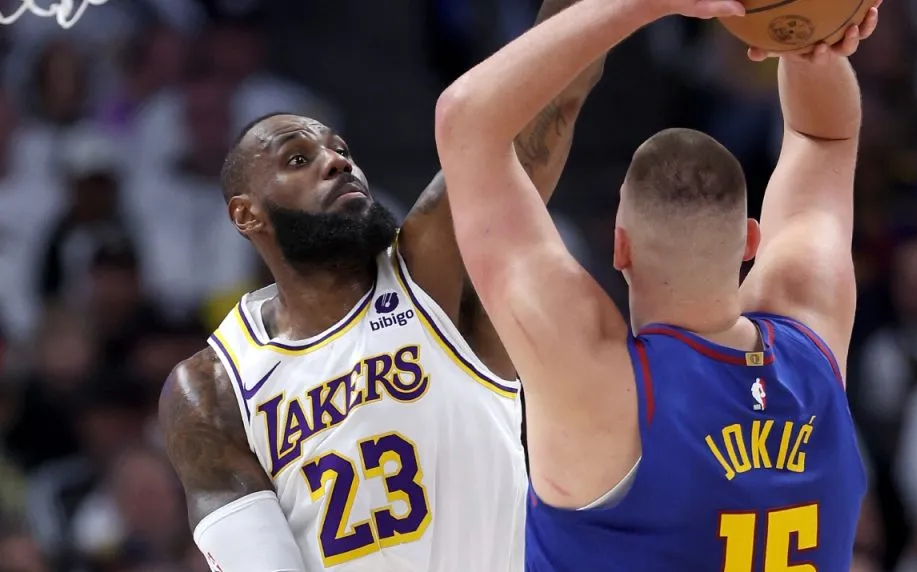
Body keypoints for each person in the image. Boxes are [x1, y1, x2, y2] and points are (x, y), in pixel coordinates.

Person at [157, 1, 607, 569]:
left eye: (342, 151)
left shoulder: (433, 274)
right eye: (298, 159)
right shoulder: (213, 386)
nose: (336, 162)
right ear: (247, 215)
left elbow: (546, 102)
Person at [434, 0, 880, 570]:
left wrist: (649, 4)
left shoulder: (600, 388)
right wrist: (808, 36)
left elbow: (468, 121)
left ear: (620, 248)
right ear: (750, 241)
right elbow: (824, 138)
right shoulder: (811, 331)